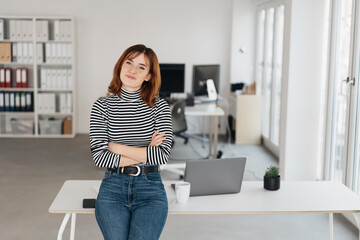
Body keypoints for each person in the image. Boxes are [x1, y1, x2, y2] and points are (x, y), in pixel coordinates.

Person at [89, 44, 173, 240]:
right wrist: (145, 152)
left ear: (149, 76)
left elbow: (162, 155)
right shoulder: (102, 106)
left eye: (141, 67)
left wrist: (116, 147)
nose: (132, 70)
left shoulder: (159, 106)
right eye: (129, 63)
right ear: (120, 66)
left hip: (150, 188)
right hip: (113, 187)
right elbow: (100, 158)